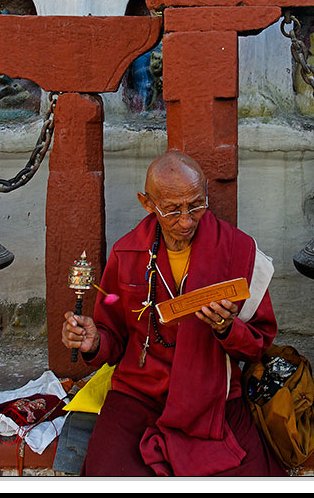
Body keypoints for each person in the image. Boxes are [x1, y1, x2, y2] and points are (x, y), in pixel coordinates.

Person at [61, 150, 285, 476]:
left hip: (212, 397)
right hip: (138, 394)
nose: (186, 220)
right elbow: (113, 338)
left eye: (196, 205)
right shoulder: (127, 254)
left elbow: (258, 345)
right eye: (172, 209)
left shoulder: (238, 250)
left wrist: (227, 329)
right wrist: (94, 342)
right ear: (147, 203)